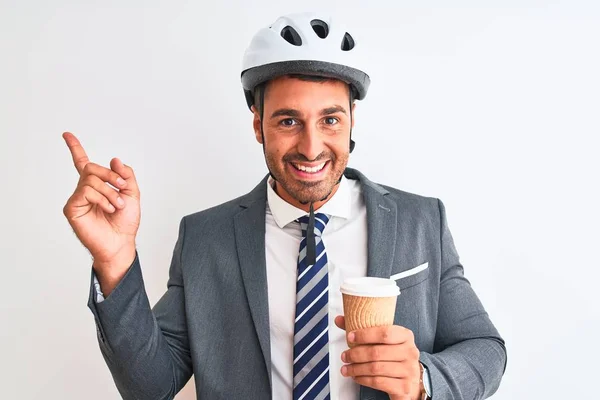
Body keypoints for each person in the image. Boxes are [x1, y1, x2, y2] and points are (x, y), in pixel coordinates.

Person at [62, 12, 506, 400]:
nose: (311, 148)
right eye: (289, 120)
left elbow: (485, 348)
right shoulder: (205, 238)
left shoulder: (422, 221)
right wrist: (114, 261)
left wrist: (424, 379)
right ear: (258, 125)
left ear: (352, 121)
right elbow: (151, 386)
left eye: (330, 119)